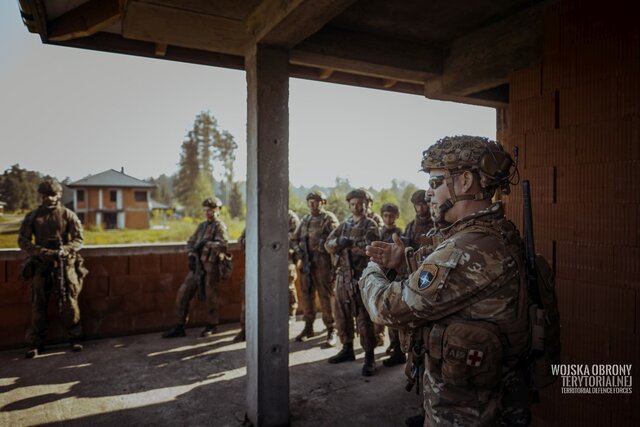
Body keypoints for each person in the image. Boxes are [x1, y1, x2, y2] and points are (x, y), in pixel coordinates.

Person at [360, 135, 531, 426]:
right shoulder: (492, 233)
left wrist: (372, 272)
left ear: (465, 181)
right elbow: (453, 283)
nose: (430, 194)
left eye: (436, 183)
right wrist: (403, 262)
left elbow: (387, 307)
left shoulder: (468, 249)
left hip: (467, 414)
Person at [18, 179, 88, 358]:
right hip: (41, 265)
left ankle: (75, 338)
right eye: (45, 195)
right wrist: (39, 251)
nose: (49, 198)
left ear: (59, 195)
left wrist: (65, 249)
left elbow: (79, 239)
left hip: (64, 264)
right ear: (40, 196)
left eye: (52, 194)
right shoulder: (33, 216)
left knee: (69, 302)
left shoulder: (68, 215)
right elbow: (23, 240)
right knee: (38, 304)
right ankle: (36, 343)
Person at [324, 189, 380, 376]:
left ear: (366, 205)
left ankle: (369, 357)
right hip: (342, 276)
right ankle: (347, 348)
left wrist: (351, 247)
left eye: (360, 203)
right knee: (341, 315)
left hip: (361, 277)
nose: (357, 207)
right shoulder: (344, 225)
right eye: (353, 203)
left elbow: (371, 249)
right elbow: (328, 244)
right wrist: (340, 242)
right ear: (349, 205)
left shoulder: (370, 225)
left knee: (363, 319)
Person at [163, 197, 229, 338]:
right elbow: (191, 242)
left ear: (217, 210)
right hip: (198, 266)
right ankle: (180, 326)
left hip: (211, 266)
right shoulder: (202, 226)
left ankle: (212, 325)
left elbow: (223, 245)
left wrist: (206, 243)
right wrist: (192, 253)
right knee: (183, 293)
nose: (207, 213)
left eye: (210, 210)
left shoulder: (219, 226)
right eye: (205, 210)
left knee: (211, 297)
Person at [292, 191, 339, 346]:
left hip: (323, 264)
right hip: (307, 263)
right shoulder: (305, 220)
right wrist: (299, 251)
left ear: (322, 202)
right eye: (310, 201)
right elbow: (294, 239)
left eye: (316, 201)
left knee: (325, 296)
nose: (313, 204)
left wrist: (323, 247)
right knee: (307, 295)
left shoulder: (328, 219)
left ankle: (331, 328)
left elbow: (335, 241)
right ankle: (308, 326)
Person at [377, 203, 406, 367]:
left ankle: (399, 351)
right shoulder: (378, 232)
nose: (388, 218)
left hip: (396, 280)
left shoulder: (401, 234)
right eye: (385, 215)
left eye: (391, 215)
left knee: (395, 317)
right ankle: (393, 345)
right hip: (383, 278)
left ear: (396, 217)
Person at [287, 209, 301, 324]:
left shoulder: (290, 217)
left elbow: (297, 238)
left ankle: (291, 313)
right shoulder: (264, 213)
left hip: (287, 258)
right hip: (267, 260)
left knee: (288, 286)